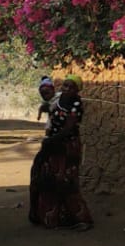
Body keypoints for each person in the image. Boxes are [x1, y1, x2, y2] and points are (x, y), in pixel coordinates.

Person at [29, 76, 94, 230]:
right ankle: (52, 217)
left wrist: (50, 141)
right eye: (65, 85)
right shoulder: (58, 101)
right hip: (53, 144)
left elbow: (69, 128)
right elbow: (49, 110)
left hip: (67, 146)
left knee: (66, 181)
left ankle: (81, 218)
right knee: (45, 177)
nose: (66, 89)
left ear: (77, 90)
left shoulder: (76, 104)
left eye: (71, 87)